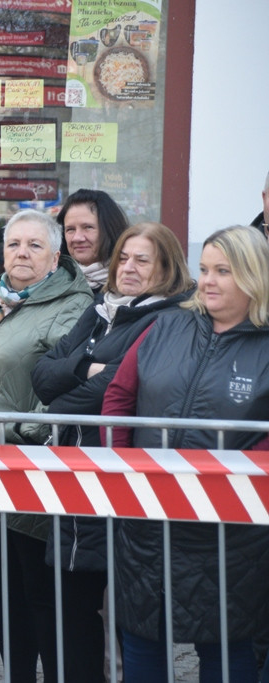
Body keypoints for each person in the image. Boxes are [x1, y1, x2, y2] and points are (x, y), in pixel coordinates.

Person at [103, 226, 269, 683]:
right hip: (146, 517)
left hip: (227, 529)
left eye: (223, 271)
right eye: (204, 269)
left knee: (225, 645)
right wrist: (123, 470)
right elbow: (119, 397)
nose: (208, 281)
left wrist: (229, 484)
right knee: (141, 637)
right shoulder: (168, 325)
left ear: (255, 276)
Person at [31, 222, 193, 682]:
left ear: (167, 267)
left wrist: (72, 382)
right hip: (75, 479)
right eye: (123, 257)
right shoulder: (101, 310)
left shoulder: (171, 319)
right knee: (74, 604)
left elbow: (110, 390)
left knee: (129, 613)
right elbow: (41, 376)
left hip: (125, 480)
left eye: (142, 260)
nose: (128, 268)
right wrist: (87, 366)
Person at [0, 208, 93, 682]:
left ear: (55, 256)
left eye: (35, 245)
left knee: (40, 593)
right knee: (4, 591)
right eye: (14, 244)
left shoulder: (73, 303)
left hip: (30, 465)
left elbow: (65, 381)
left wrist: (25, 431)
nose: (22, 253)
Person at [56, 188, 129, 291]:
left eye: (88, 227)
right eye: (70, 229)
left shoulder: (131, 283)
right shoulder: (52, 282)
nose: (77, 238)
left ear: (110, 229)